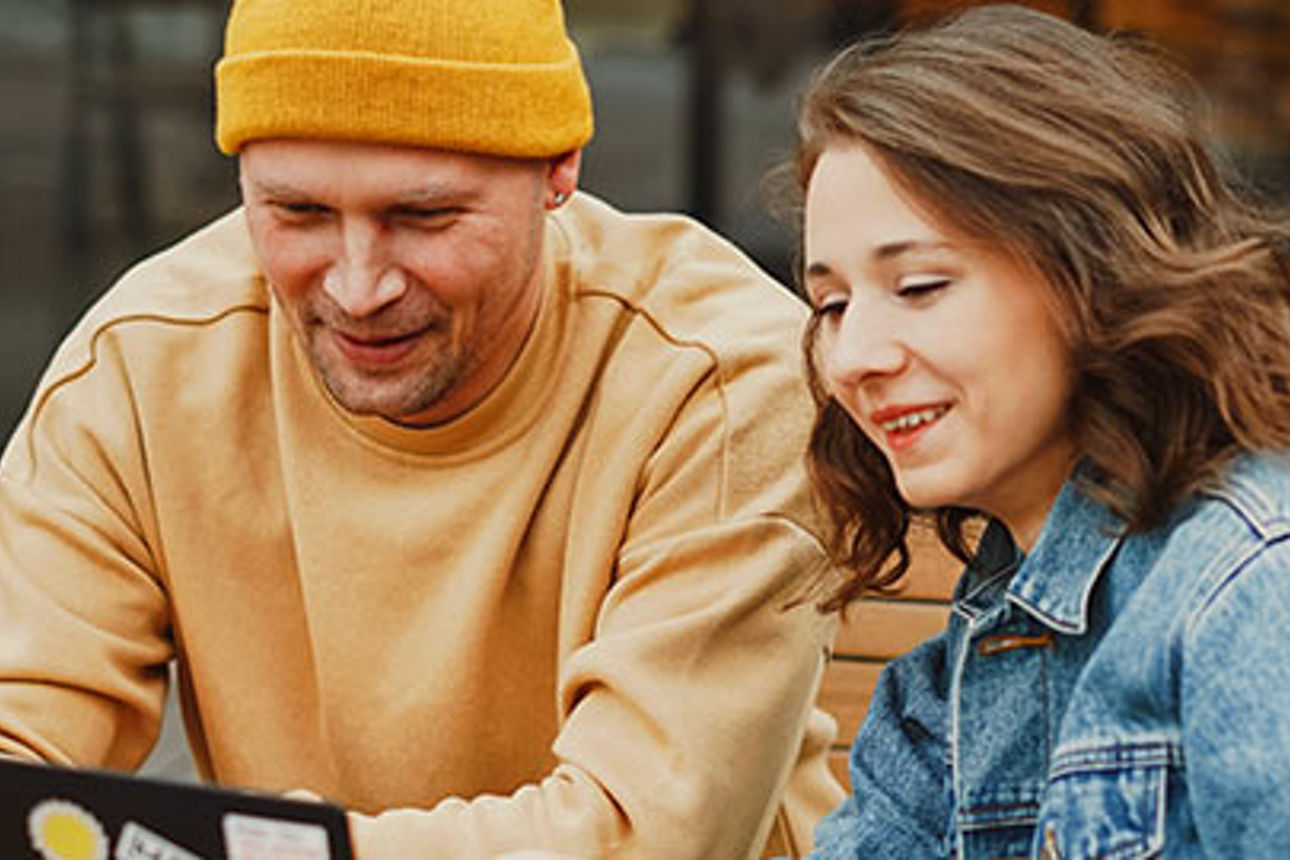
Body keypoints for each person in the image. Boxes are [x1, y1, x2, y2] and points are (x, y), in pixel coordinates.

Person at [0, 0, 846, 856]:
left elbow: (642, 835)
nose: (358, 287)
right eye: (297, 213)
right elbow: (18, 743)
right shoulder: (146, 360)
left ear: (559, 168)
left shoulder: (720, 381)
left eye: (424, 218)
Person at [783, 4, 1290, 858]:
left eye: (919, 287)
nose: (853, 357)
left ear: (1089, 268)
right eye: (832, 305)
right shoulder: (949, 681)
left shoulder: (1247, 589)